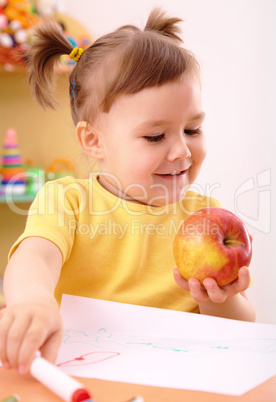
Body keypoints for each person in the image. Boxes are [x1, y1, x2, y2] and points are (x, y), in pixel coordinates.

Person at [0, 8, 255, 375]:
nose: (182, 150)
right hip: (85, 375)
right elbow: (35, 258)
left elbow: (239, 333)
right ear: (93, 140)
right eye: (155, 136)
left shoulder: (207, 218)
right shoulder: (67, 202)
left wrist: (221, 300)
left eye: (193, 129)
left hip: (179, 380)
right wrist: (33, 301)